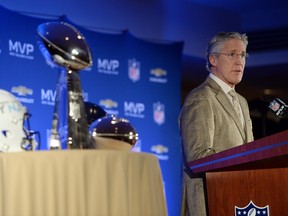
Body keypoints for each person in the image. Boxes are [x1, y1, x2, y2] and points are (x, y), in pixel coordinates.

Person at [178, 32, 254, 216]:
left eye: (243, 55)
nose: (239, 61)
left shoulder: (242, 102)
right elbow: (198, 157)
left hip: (241, 200)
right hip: (211, 200)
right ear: (213, 59)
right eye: (232, 54)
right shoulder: (201, 98)